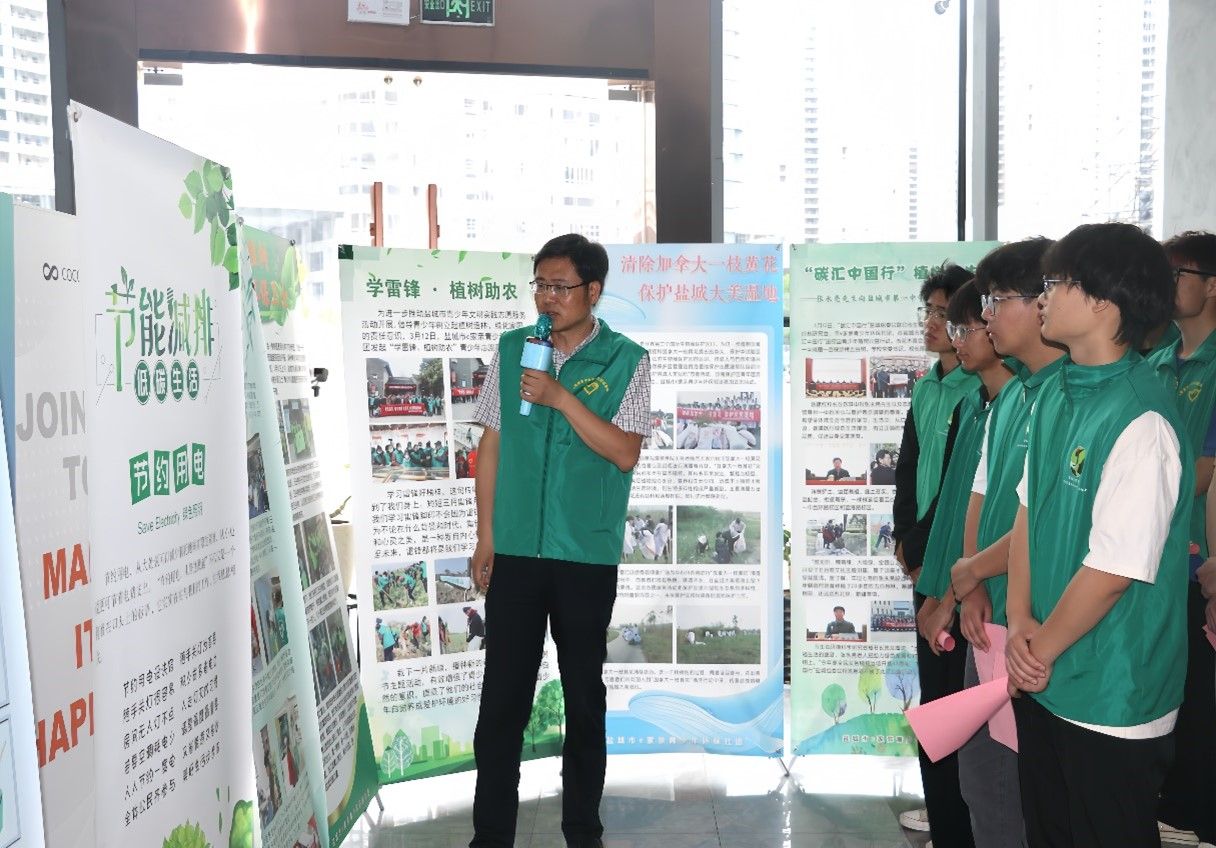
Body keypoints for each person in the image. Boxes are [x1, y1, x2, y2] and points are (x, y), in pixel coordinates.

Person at [1004, 223, 1191, 846]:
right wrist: (1019, 620)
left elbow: (1114, 571)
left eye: (1056, 284)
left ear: (1105, 302)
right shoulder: (1054, 393)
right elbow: (1028, 512)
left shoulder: (1142, 415)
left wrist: (1037, 650)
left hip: (1113, 691)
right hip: (1048, 669)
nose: (1043, 297)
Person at [467, 234, 650, 848]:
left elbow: (624, 451)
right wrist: (486, 535)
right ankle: (491, 836)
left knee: (583, 702)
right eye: (540, 285)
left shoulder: (627, 359)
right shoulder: (513, 348)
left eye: (560, 287)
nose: (547, 298)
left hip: (584, 557)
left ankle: (582, 832)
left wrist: (560, 396)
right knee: (502, 705)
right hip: (516, 553)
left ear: (593, 291)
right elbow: (492, 443)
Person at [937, 238, 1061, 848]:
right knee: (983, 779)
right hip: (992, 614)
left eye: (995, 301)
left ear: (1044, 302)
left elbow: (1047, 521)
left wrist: (973, 572)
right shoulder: (1013, 396)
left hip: (1035, 621)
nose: (984, 317)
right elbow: (982, 496)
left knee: (1014, 789)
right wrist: (973, 582)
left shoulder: (1066, 395)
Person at [892, 262, 979, 844]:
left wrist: (926, 551)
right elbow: (909, 466)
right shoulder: (926, 387)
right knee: (935, 700)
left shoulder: (979, 391)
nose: (932, 323)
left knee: (963, 700)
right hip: (924, 561)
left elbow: (958, 485)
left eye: (945, 315)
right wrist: (904, 539)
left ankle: (965, 822)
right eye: (929, 311)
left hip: (959, 564)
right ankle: (944, 816)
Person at [1149, 231, 1216, 847]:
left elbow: (1205, 471)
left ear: (1212, 285)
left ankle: (1196, 815)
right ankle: (1173, 805)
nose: (1167, 285)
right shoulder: (1157, 360)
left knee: (1200, 695)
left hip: (1199, 559)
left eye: (1179, 274)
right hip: (1155, 558)